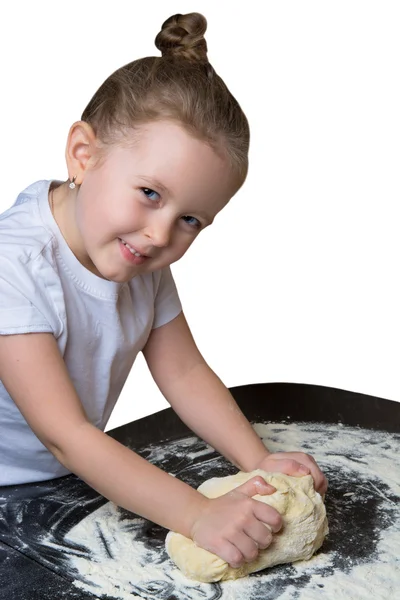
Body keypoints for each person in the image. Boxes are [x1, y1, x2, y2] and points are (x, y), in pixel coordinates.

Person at [0, 12, 327, 569]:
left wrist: (258, 461)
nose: (160, 235)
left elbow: (183, 373)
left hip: (50, 480)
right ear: (84, 154)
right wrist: (198, 514)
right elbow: (67, 436)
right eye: (150, 192)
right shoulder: (15, 268)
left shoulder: (137, 256)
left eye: (191, 221)